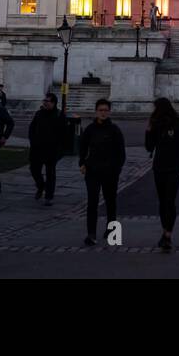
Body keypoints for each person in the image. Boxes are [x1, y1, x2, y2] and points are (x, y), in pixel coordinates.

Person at [144, 97, 179, 252]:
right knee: (162, 201)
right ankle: (165, 231)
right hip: (159, 167)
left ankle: (168, 234)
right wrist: (148, 131)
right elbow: (149, 147)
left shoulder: (177, 124)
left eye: (156, 108)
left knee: (170, 201)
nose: (154, 111)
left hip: (174, 168)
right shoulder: (156, 124)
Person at [78, 98, 126, 246]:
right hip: (92, 171)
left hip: (110, 172)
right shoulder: (90, 129)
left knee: (110, 201)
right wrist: (82, 163)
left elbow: (121, 153)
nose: (103, 113)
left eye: (106, 110)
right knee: (92, 202)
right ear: (96, 111)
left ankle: (112, 231)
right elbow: (82, 147)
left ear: (109, 112)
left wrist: (117, 169)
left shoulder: (115, 130)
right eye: (101, 110)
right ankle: (91, 234)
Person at [28, 93, 67, 203]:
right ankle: (41, 186)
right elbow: (32, 128)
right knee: (34, 169)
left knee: (50, 173)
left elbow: (64, 133)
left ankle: (49, 196)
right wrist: (32, 141)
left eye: (47, 101)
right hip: (37, 148)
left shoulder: (59, 115)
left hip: (52, 149)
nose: (45, 102)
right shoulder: (39, 114)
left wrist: (60, 148)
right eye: (44, 100)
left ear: (53, 103)